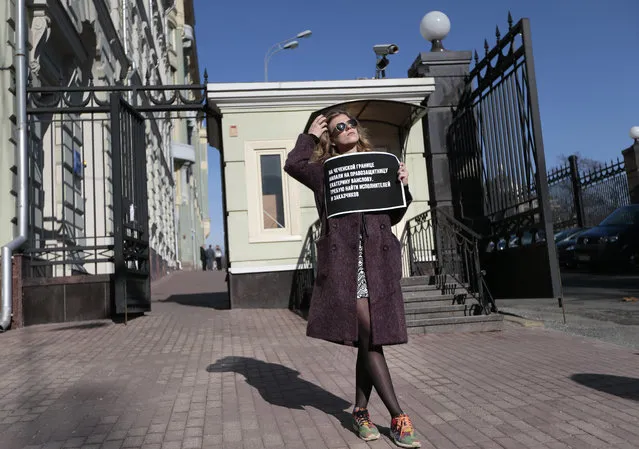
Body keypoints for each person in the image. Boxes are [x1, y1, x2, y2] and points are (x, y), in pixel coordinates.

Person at [284, 110, 420, 448]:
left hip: (379, 261)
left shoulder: (380, 163)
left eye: (351, 124)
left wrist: (402, 184)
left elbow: (396, 213)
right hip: (347, 264)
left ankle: (360, 411)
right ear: (332, 136)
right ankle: (398, 415)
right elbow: (294, 165)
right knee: (372, 336)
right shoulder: (325, 172)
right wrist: (310, 136)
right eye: (338, 127)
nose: (347, 129)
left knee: (367, 340)